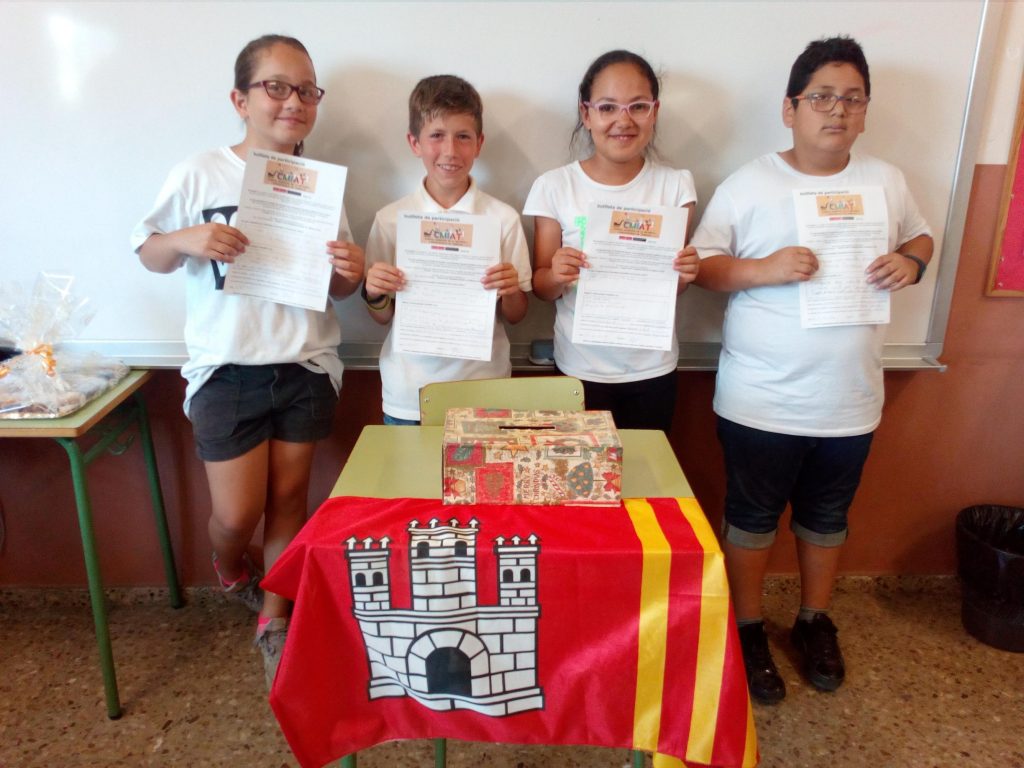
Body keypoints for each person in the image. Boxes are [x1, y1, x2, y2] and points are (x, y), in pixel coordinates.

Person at [691, 36, 933, 704]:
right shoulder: (750, 183)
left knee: (827, 518)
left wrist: (911, 262)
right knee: (751, 519)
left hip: (850, 399)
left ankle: (813, 620)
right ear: (790, 108)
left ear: (865, 111)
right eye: (822, 97)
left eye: (852, 98)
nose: (838, 110)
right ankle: (747, 628)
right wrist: (764, 269)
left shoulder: (885, 180)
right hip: (760, 399)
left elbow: (920, 235)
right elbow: (703, 267)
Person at [130, 34, 364, 688]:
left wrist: (350, 271)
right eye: (277, 87)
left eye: (307, 90)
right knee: (236, 515)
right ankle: (231, 566)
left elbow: (338, 289)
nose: (294, 102)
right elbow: (148, 251)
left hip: (305, 364)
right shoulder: (199, 172)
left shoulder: (321, 184)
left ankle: (274, 619)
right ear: (241, 100)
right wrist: (187, 238)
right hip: (227, 368)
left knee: (289, 500)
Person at [523, 50, 699, 434]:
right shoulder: (554, 186)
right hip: (579, 368)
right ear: (586, 114)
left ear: (654, 111)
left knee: (645, 470)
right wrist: (556, 273)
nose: (623, 120)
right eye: (607, 107)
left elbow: (675, 287)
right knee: (578, 470)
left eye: (638, 106)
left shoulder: (675, 186)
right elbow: (541, 287)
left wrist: (685, 274)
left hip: (653, 368)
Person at [363, 75, 531, 425]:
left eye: (463, 137)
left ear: (479, 143)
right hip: (409, 393)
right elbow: (382, 316)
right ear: (415, 143)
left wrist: (511, 290)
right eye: (437, 135)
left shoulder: (503, 219)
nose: (450, 151)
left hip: (484, 389)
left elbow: (516, 315)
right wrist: (374, 293)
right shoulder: (391, 219)